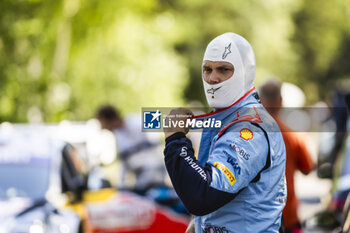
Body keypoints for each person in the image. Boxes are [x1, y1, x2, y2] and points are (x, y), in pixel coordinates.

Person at [163, 32, 287, 233]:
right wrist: (201, 223)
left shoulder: (248, 128)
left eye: (223, 69)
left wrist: (175, 140)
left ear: (244, 72)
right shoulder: (228, 117)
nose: (212, 78)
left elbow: (202, 195)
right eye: (207, 69)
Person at [259, 80, 314, 233]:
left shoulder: (245, 134)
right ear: (281, 102)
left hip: (257, 220)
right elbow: (308, 168)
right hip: (288, 216)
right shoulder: (292, 136)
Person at [96, 105, 165, 193]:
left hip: (155, 176)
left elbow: (155, 143)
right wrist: (122, 184)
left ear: (111, 119)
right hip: (140, 178)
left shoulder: (137, 121)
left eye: (103, 123)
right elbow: (124, 160)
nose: (103, 127)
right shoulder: (118, 134)